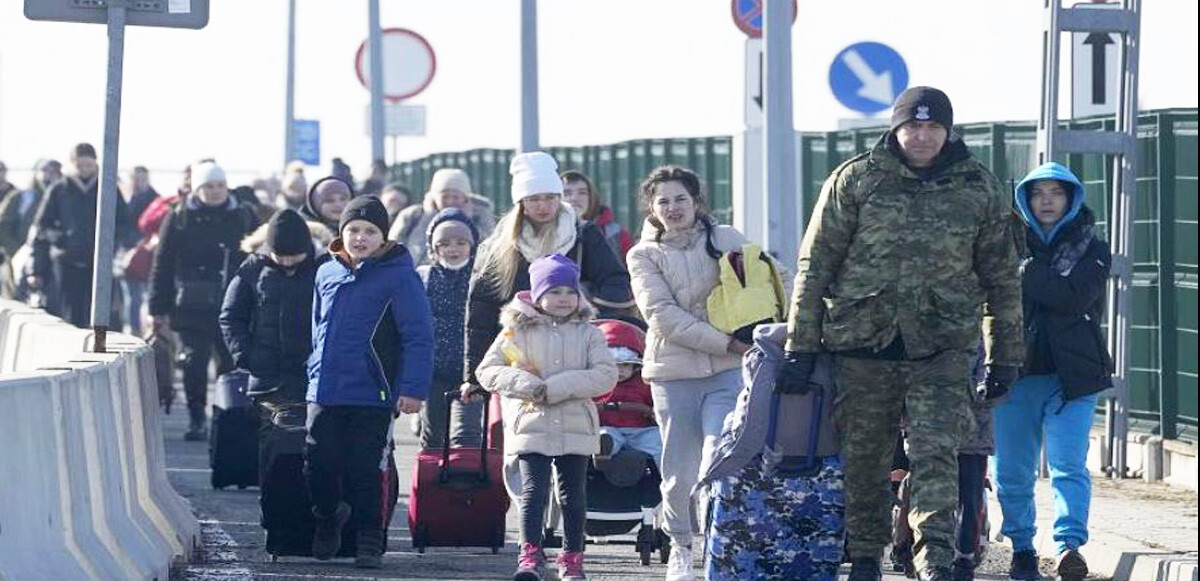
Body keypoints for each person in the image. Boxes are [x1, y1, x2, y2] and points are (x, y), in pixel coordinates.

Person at [778, 86, 1024, 581]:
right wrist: (800, 346)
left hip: (942, 347)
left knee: (937, 453)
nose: (923, 136)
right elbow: (815, 265)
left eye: (934, 127)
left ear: (949, 132)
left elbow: (1001, 276)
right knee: (866, 458)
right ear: (895, 129)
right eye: (913, 126)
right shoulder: (856, 180)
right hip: (862, 345)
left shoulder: (977, 186)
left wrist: (1005, 356)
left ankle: (935, 557)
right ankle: (866, 556)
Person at [626, 165, 753, 581]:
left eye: (681, 198)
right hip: (673, 374)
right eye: (663, 201)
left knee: (719, 458)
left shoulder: (727, 239)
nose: (673, 207)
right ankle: (680, 544)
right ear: (651, 207)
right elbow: (662, 316)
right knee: (679, 471)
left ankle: (719, 546)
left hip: (727, 373)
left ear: (697, 201)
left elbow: (772, 279)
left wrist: (783, 324)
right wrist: (729, 343)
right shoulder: (643, 255)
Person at [992, 162, 1112, 581]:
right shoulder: (1000, 243)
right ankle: (1022, 547)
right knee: (1012, 470)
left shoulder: (1092, 247)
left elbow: (1073, 296)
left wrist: (1026, 270)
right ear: (1024, 199)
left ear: (1071, 199)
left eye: (1056, 193)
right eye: (1038, 193)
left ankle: (1069, 546)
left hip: (1073, 378)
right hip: (1013, 375)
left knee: (1067, 465)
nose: (1046, 201)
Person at [305, 195, 433, 569]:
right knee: (318, 462)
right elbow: (317, 328)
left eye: (369, 231)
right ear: (342, 233)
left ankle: (369, 539)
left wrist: (411, 388)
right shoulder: (326, 272)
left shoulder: (399, 275)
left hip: (373, 392)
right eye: (353, 230)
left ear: (383, 237)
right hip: (325, 389)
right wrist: (312, 371)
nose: (360, 238)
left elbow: (418, 335)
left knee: (366, 469)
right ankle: (327, 517)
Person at [474, 254, 617, 581]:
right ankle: (530, 555)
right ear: (537, 295)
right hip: (531, 423)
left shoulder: (589, 333)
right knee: (533, 492)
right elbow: (488, 371)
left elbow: (606, 375)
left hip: (575, 424)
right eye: (554, 292)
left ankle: (572, 556)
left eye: (569, 291)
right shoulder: (514, 332)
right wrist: (524, 384)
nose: (563, 299)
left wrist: (558, 387)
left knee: (573, 496)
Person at [464, 152, 633, 393]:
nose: (543, 206)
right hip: (520, 357)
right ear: (521, 202)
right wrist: (473, 376)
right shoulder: (500, 246)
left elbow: (615, 282)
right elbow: (481, 311)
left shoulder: (584, 235)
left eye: (550, 197)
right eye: (533, 198)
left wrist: (588, 314)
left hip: (575, 352)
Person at [149, 160, 260, 441]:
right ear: (197, 188)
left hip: (234, 303)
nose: (215, 191)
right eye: (208, 186)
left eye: (220, 185)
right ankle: (197, 417)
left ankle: (225, 416)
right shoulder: (179, 216)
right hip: (191, 306)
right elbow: (162, 263)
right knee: (193, 363)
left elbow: (261, 257)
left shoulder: (244, 214)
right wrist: (157, 308)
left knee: (230, 364)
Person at [29, 143, 136, 326]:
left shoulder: (108, 188)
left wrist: (112, 242)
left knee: (102, 316)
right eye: (80, 165)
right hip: (66, 261)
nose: (85, 170)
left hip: (100, 263)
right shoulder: (59, 189)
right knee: (70, 314)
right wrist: (38, 267)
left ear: (95, 163)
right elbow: (41, 228)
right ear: (72, 164)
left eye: (89, 165)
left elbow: (124, 223)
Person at [220, 208, 318, 408]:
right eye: (280, 256)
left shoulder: (323, 268)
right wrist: (246, 356)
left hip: (312, 375)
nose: (287, 262)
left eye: (294, 256)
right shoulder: (252, 269)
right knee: (274, 433)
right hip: (266, 376)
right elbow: (231, 316)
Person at [417, 207, 484, 449]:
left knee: (468, 434)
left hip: (470, 368)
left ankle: (469, 481)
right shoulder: (424, 277)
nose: (453, 249)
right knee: (433, 432)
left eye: (460, 242)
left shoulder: (481, 277)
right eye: (444, 243)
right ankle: (430, 481)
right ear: (434, 248)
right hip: (434, 369)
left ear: (472, 245)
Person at [590, 318, 661, 468]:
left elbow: (655, 403)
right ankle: (602, 452)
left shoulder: (644, 383)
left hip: (640, 430)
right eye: (614, 366)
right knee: (604, 435)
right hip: (609, 427)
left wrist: (655, 411)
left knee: (659, 442)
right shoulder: (595, 385)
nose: (619, 371)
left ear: (635, 367)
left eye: (625, 366)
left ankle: (668, 474)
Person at [388, 168, 496, 265]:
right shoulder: (412, 216)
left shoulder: (481, 216)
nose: (450, 201)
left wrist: (467, 221)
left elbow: (489, 250)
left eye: (456, 197)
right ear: (435, 196)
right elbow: (393, 250)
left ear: (465, 197)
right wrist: (429, 218)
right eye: (445, 197)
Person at [562, 170, 634, 264]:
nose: (574, 198)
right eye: (567, 193)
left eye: (582, 192)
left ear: (592, 197)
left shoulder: (616, 234)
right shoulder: (543, 230)